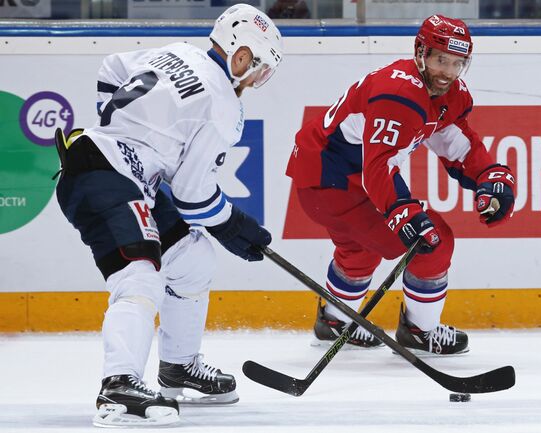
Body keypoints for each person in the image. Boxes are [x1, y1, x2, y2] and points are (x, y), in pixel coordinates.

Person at [54, 4, 282, 427]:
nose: (255, 80)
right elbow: (194, 197)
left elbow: (112, 65)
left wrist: (123, 128)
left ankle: (178, 367)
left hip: (112, 166)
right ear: (242, 55)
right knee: (139, 275)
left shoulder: (179, 51)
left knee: (193, 260)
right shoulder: (224, 107)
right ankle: (119, 383)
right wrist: (235, 224)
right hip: (106, 175)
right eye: (259, 68)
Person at [286, 15, 516, 355]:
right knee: (433, 242)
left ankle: (334, 322)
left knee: (360, 249)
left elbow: (454, 140)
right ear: (421, 53)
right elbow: (379, 166)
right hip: (331, 182)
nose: (448, 72)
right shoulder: (399, 94)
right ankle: (418, 331)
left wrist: (489, 177)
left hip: (323, 177)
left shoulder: (446, 92)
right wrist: (401, 210)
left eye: (457, 63)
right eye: (441, 59)